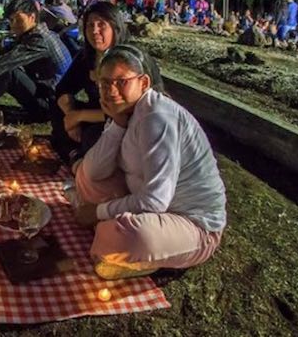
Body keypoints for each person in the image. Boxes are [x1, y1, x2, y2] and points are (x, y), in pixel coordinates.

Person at [73, 44, 225, 280]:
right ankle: (113, 236)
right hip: (150, 207)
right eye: (104, 83)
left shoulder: (156, 117)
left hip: (193, 224)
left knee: (127, 235)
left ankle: (126, 246)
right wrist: (118, 123)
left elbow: (155, 200)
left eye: (121, 81)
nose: (110, 91)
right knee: (85, 174)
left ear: (143, 83)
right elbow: (93, 170)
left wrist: (98, 211)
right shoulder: (128, 111)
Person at [51, 1, 134, 165]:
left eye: (101, 25)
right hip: (97, 112)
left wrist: (78, 116)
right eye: (90, 25)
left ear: (115, 27)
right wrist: (70, 114)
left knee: (93, 136)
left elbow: (127, 110)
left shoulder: (128, 60)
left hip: (123, 120)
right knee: (57, 106)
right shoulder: (86, 58)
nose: (95, 31)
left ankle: (78, 156)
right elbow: (62, 89)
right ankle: (74, 155)